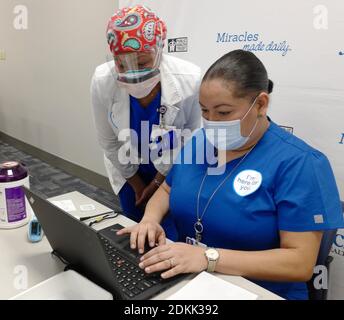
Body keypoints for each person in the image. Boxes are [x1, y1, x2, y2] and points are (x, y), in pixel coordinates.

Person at [117, 49, 344, 300]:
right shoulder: (200, 142)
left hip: (258, 291)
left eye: (223, 112)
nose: (211, 122)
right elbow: (168, 189)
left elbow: (299, 263)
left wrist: (208, 258)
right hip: (191, 281)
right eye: (204, 111)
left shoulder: (300, 164)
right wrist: (150, 219)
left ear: (260, 104)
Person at [91, 5, 201, 240]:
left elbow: (189, 140)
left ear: (159, 49)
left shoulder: (190, 80)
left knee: (170, 229)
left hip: (172, 168)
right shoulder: (102, 81)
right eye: (122, 64)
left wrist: (159, 181)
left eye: (142, 63)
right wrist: (138, 185)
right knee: (133, 225)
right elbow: (109, 142)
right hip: (127, 169)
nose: (134, 73)